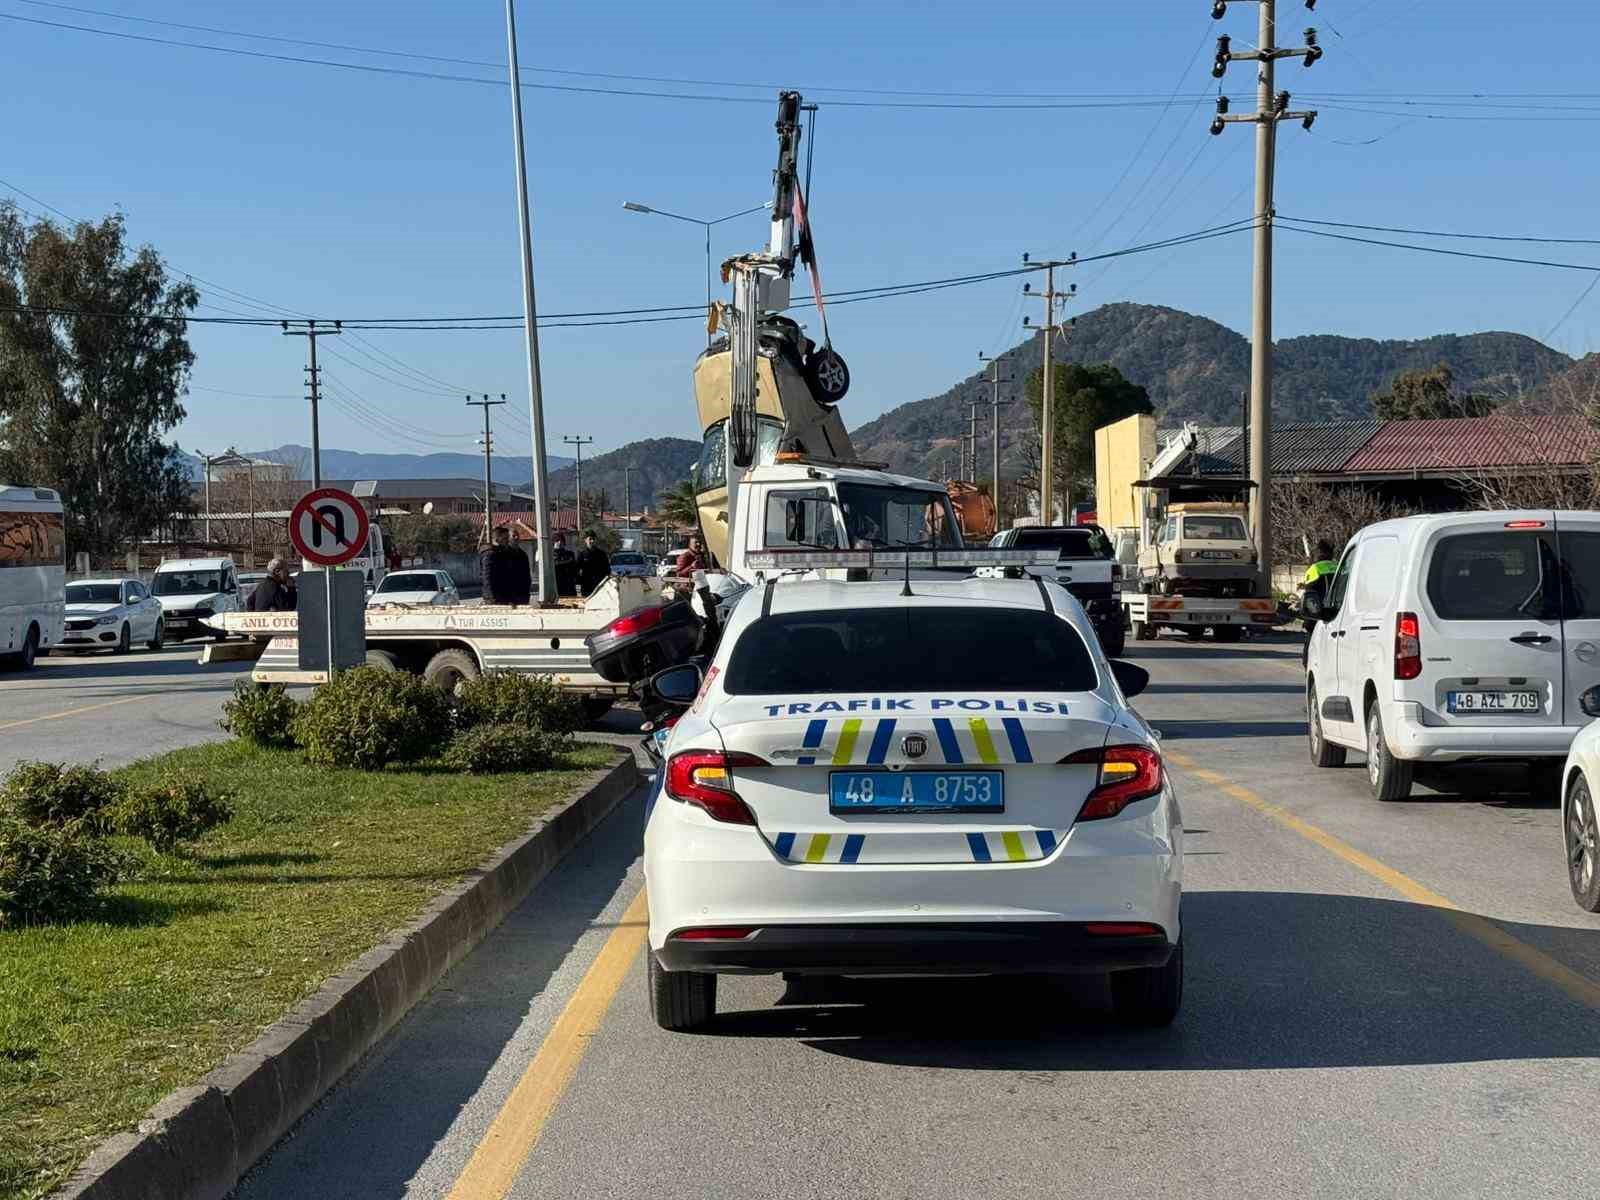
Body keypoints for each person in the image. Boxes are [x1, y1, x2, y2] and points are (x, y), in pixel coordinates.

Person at [1300, 539, 1340, 666]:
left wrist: (1308, 622)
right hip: (1339, 613)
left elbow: (1310, 598)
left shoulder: (1314, 570)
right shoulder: (1339, 567)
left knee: (1309, 655)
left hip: (1320, 615)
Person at [480, 526, 532, 606]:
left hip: (508, 597)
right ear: (498, 539)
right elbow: (487, 578)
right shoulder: (490, 554)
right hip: (496, 598)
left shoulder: (505, 552)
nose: (508, 540)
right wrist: (492, 599)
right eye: (505, 538)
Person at [576, 531, 611, 597]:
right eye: (590, 539)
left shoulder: (601, 554)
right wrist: (578, 582)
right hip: (586, 585)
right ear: (585, 540)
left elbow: (607, 569)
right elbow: (577, 570)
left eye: (594, 539)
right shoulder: (582, 555)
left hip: (599, 585)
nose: (592, 541)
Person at [550, 532, 577, 597]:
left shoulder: (570, 554)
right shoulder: (550, 556)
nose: (559, 542)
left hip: (569, 587)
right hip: (556, 588)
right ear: (553, 542)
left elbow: (574, 570)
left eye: (561, 540)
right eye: (557, 540)